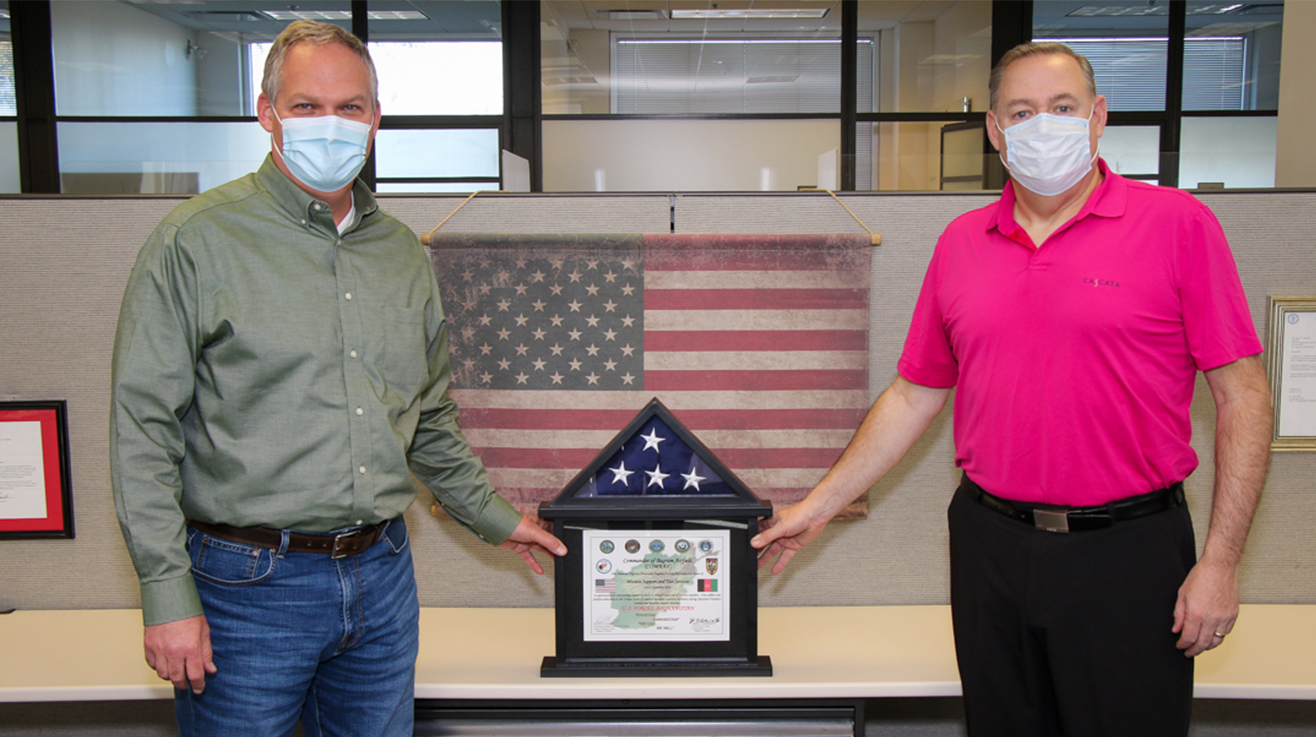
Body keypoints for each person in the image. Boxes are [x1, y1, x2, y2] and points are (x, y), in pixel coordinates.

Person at [752, 42, 1272, 737]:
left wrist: (1221, 562)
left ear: (1098, 117)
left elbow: (1245, 396)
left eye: (1063, 107)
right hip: (989, 544)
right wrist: (819, 505)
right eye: (1022, 111)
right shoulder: (962, 242)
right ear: (996, 131)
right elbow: (914, 395)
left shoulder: (1178, 226)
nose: (1043, 125)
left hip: (1129, 551)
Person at [109, 21, 565, 737]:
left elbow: (427, 417)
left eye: (350, 107)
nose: (331, 124)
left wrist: (497, 519)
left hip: (381, 574)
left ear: (375, 120)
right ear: (267, 115)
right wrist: (167, 594)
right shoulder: (195, 241)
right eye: (305, 106)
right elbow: (143, 434)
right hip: (245, 586)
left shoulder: (401, 254)